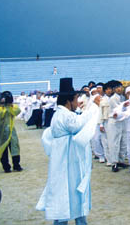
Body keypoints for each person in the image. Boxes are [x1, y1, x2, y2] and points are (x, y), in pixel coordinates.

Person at [36, 77, 101, 225]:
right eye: (76, 98)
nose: (78, 101)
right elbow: (77, 125)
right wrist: (93, 108)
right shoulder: (64, 115)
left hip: (66, 157)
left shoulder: (61, 114)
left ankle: (78, 220)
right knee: (65, 191)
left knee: (70, 191)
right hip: (66, 158)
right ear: (68, 100)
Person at [0, 91, 22, 173]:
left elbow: (17, 111)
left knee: (15, 148)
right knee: (3, 150)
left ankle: (16, 165)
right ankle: (6, 167)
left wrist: (10, 105)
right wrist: (2, 106)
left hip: (11, 131)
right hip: (2, 132)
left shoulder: (11, 107)